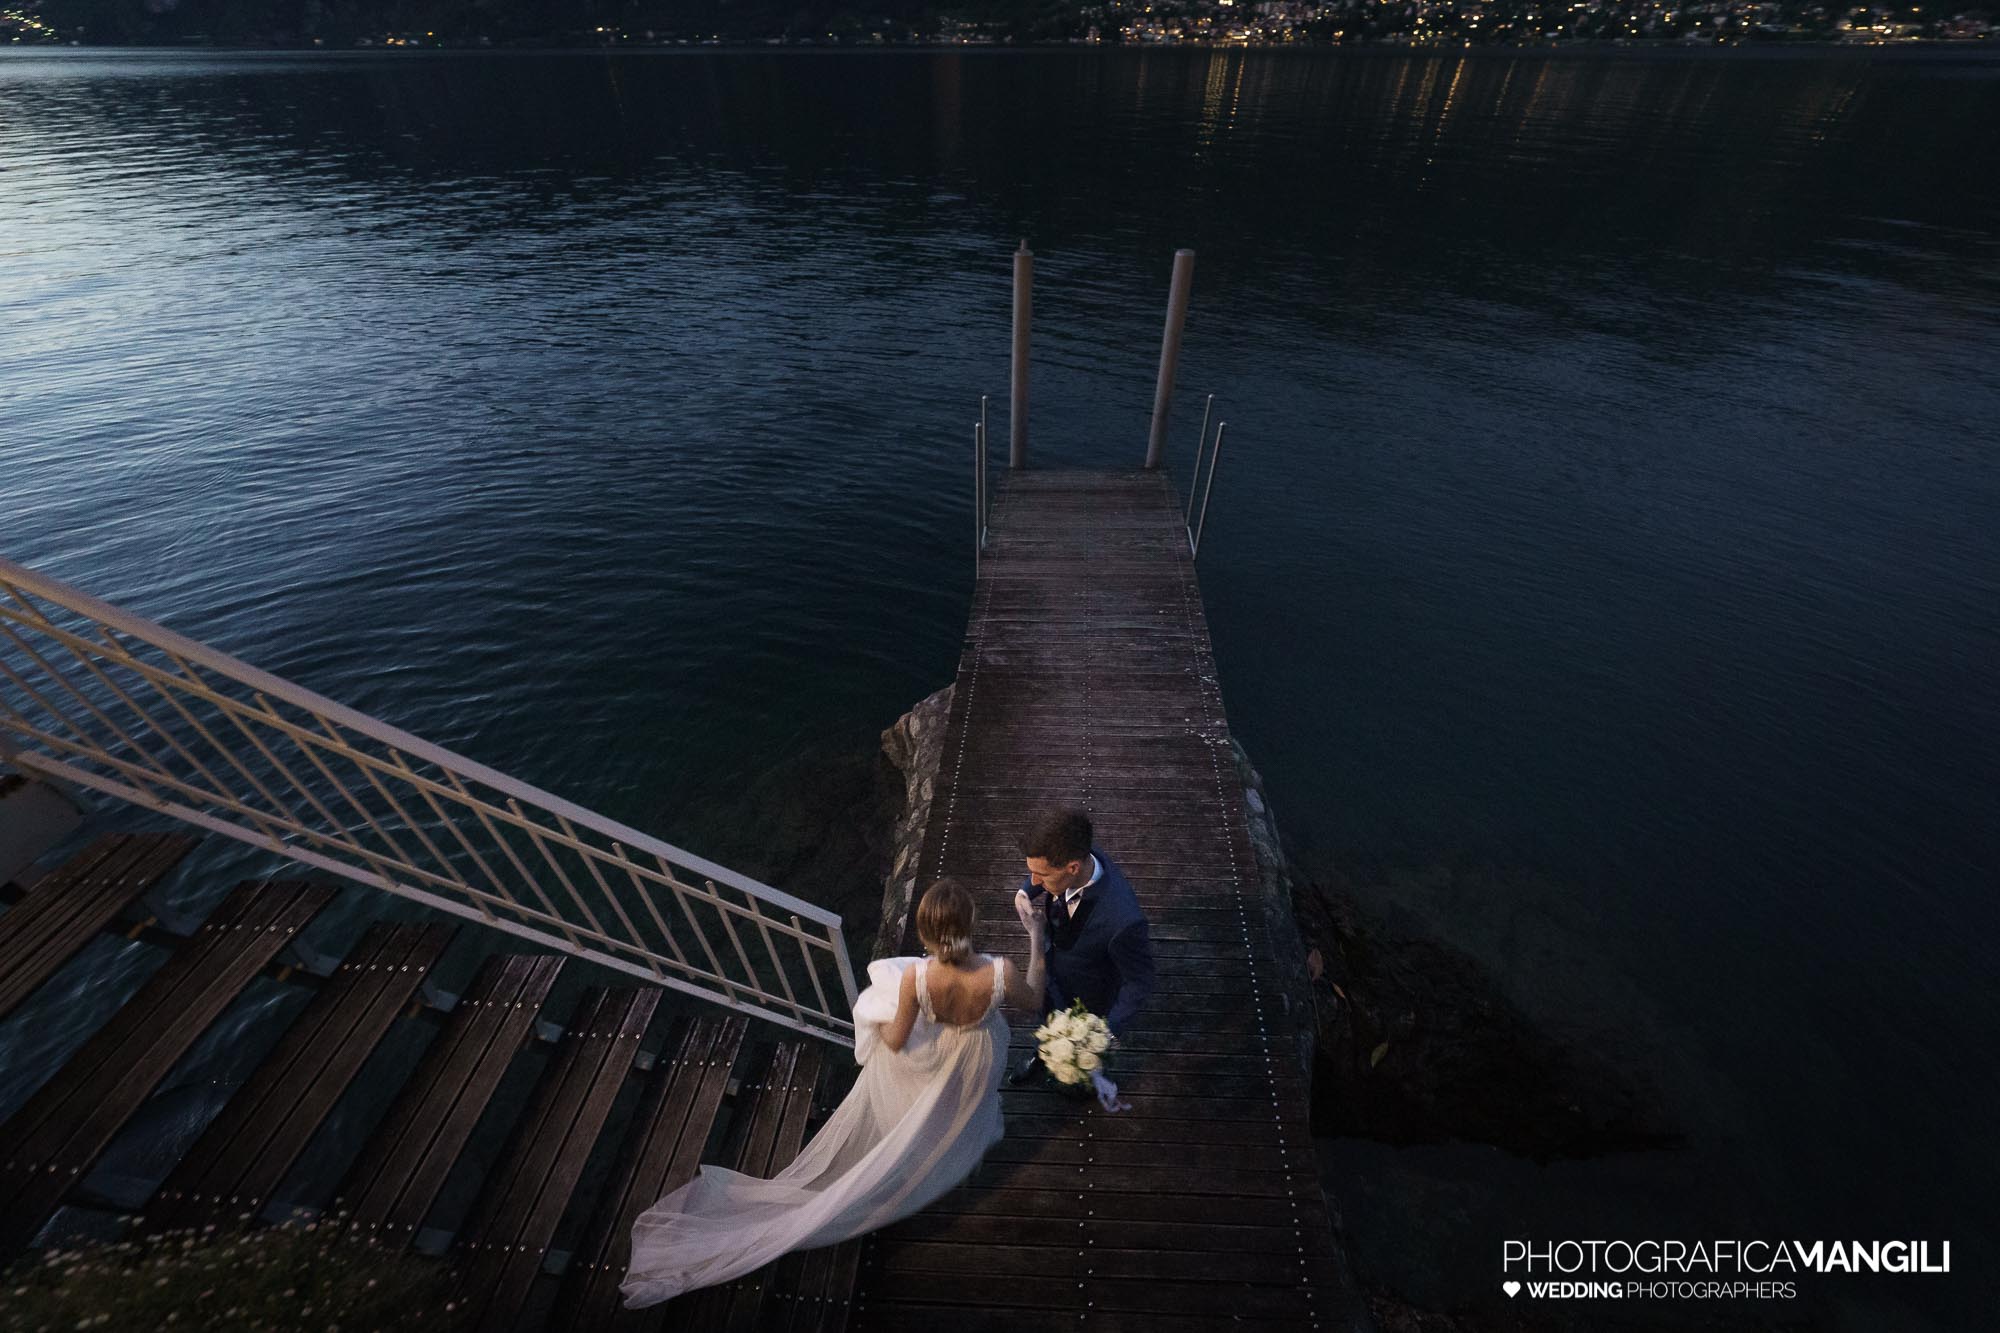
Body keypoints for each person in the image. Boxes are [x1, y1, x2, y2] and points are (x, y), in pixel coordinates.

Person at [621, 878, 1045, 1308]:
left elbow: (897, 1041)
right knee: (970, 1106)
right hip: (979, 1054)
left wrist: (873, 1017)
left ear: (926, 935)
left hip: (942, 1053)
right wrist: (1035, 938)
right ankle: (963, 1152)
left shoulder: (917, 977)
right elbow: (1033, 999)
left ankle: (938, 1156)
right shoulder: (1001, 971)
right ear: (971, 923)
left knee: (932, 1109)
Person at [1008, 806, 1155, 1089]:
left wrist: (1105, 1037)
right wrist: (1025, 891)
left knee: (1076, 1087)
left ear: (1072, 868)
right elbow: (1041, 876)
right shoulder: (1079, 853)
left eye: (1041, 876)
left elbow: (1140, 982)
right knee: (1046, 1015)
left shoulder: (1124, 921)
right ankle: (1042, 1053)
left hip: (1088, 1001)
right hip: (1053, 979)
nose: (1036, 881)